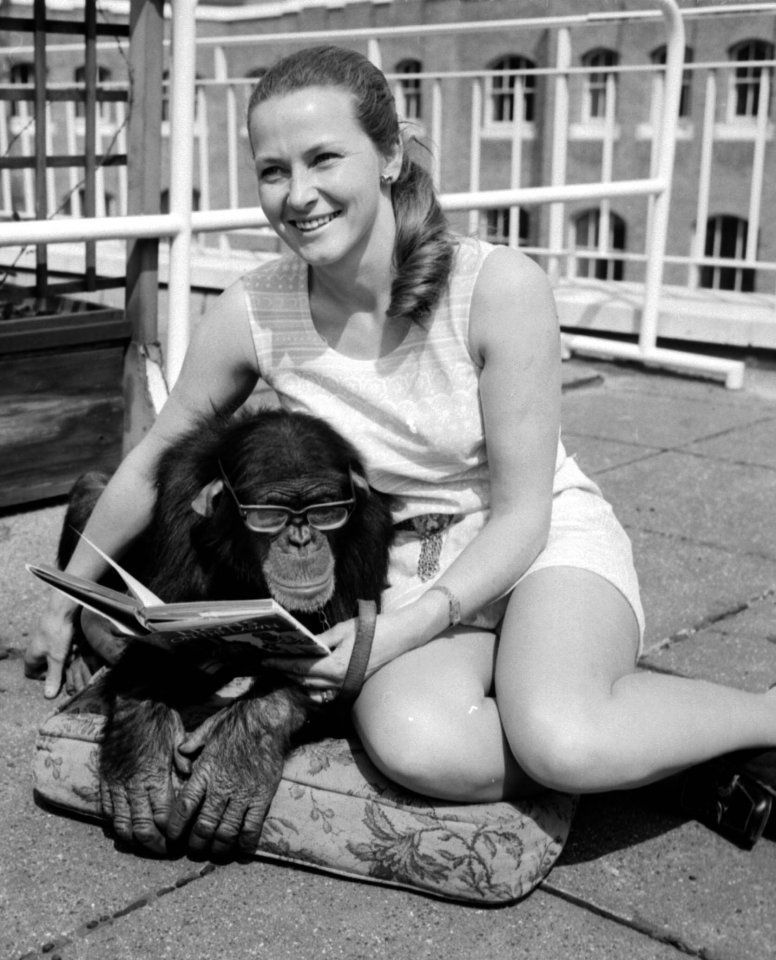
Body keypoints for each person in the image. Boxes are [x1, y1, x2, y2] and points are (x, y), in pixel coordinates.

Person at [26, 45, 776, 821]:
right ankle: (626, 728)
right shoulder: (253, 308)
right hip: (401, 569)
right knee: (417, 747)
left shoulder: (496, 287)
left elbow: (525, 515)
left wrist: (399, 634)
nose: (299, 194)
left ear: (388, 155)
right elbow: (156, 456)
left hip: (536, 549)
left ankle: (754, 717)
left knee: (562, 740)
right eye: (274, 170)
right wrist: (68, 596)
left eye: (324, 159)